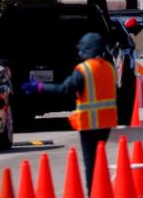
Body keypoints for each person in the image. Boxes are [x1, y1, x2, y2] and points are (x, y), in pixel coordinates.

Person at [21, 33, 117, 191]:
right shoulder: (109, 68)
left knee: (91, 164)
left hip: (89, 124)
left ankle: (93, 193)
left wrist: (40, 87)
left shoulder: (84, 70)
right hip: (106, 124)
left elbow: (64, 89)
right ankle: (102, 191)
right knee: (100, 161)